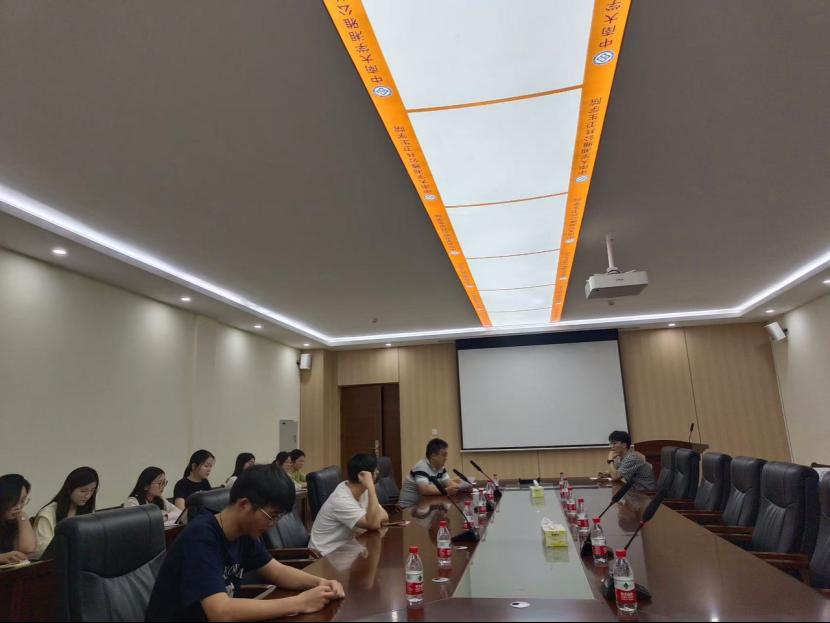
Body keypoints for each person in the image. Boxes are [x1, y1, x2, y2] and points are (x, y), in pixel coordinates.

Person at [145, 465, 344, 621]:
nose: (273, 525)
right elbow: (220, 612)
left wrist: (320, 583)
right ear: (244, 505)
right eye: (272, 516)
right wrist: (299, 603)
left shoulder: (244, 533)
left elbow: (277, 571)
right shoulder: (201, 537)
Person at [309, 453, 389, 556]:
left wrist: (375, 517)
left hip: (346, 549)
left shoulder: (363, 491)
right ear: (363, 475)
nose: (377, 472)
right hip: (325, 555)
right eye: (375, 469)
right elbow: (373, 524)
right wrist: (371, 487)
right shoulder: (341, 499)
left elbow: (384, 517)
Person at [33, 467, 99, 559]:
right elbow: (42, 550)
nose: (88, 496)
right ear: (69, 489)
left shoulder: (88, 510)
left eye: (92, 491)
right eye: (83, 491)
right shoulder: (47, 514)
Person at [398, 438, 468, 508]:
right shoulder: (421, 467)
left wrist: (461, 488)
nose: (446, 458)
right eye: (444, 455)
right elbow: (424, 490)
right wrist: (446, 491)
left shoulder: (440, 467)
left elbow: (448, 482)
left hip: (424, 506)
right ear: (433, 455)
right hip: (408, 508)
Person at [0, 474, 37, 564]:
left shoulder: (12, 521)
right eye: (15, 501)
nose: (19, 507)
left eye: (22, 501)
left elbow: (28, 549)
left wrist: (22, 515)